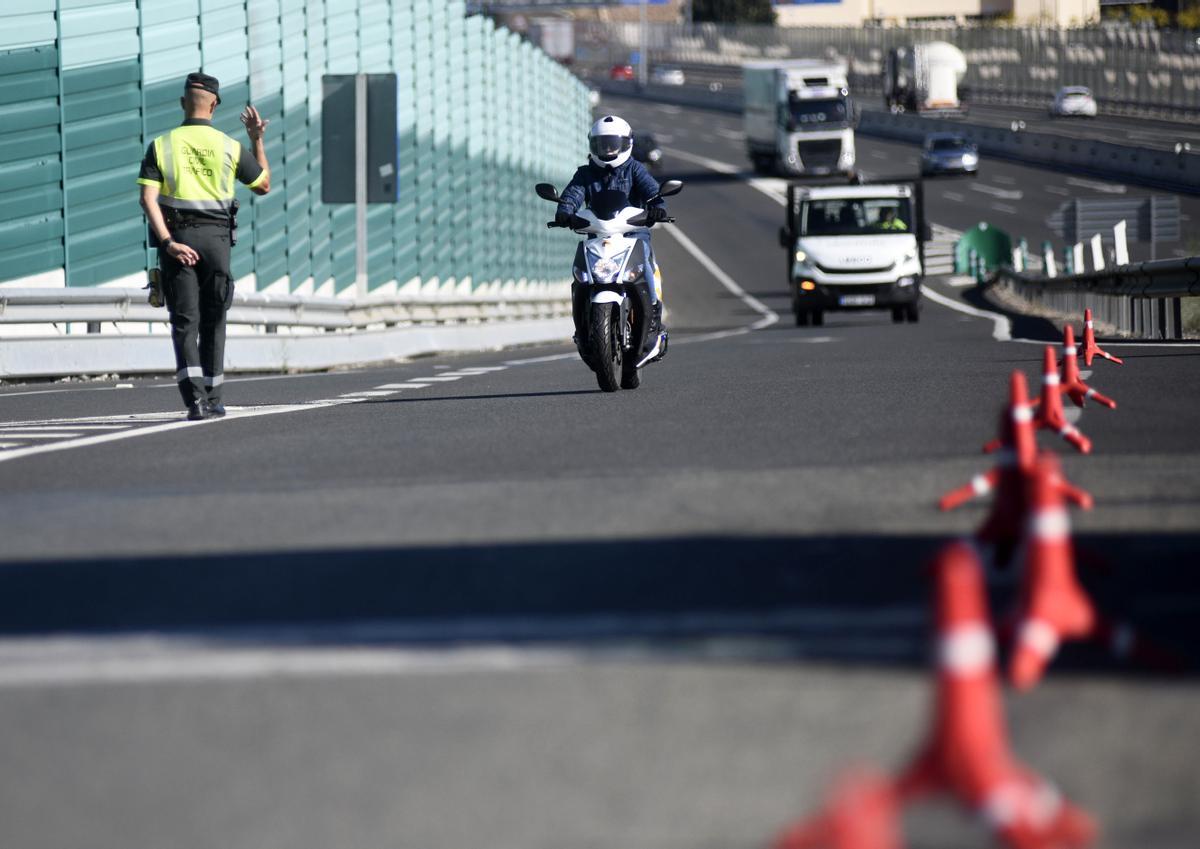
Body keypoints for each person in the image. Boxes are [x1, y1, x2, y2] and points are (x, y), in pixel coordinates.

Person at [137, 72, 271, 420]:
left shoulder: (161, 146)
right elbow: (263, 185)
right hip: (217, 242)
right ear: (214, 105)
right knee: (215, 320)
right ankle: (214, 398)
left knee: (185, 322)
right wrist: (256, 138)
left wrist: (168, 243)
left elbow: (147, 200)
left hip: (178, 239)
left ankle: (195, 402)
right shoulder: (230, 146)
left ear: (183, 103)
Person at [556, 115, 669, 349]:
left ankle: (654, 314)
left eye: (612, 144)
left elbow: (651, 190)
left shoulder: (634, 168)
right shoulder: (585, 173)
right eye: (601, 144)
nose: (607, 150)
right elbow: (573, 194)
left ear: (626, 144)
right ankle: (583, 324)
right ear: (592, 145)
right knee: (580, 278)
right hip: (598, 235)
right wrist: (564, 211)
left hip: (633, 234)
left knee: (645, 267)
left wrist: (657, 207)